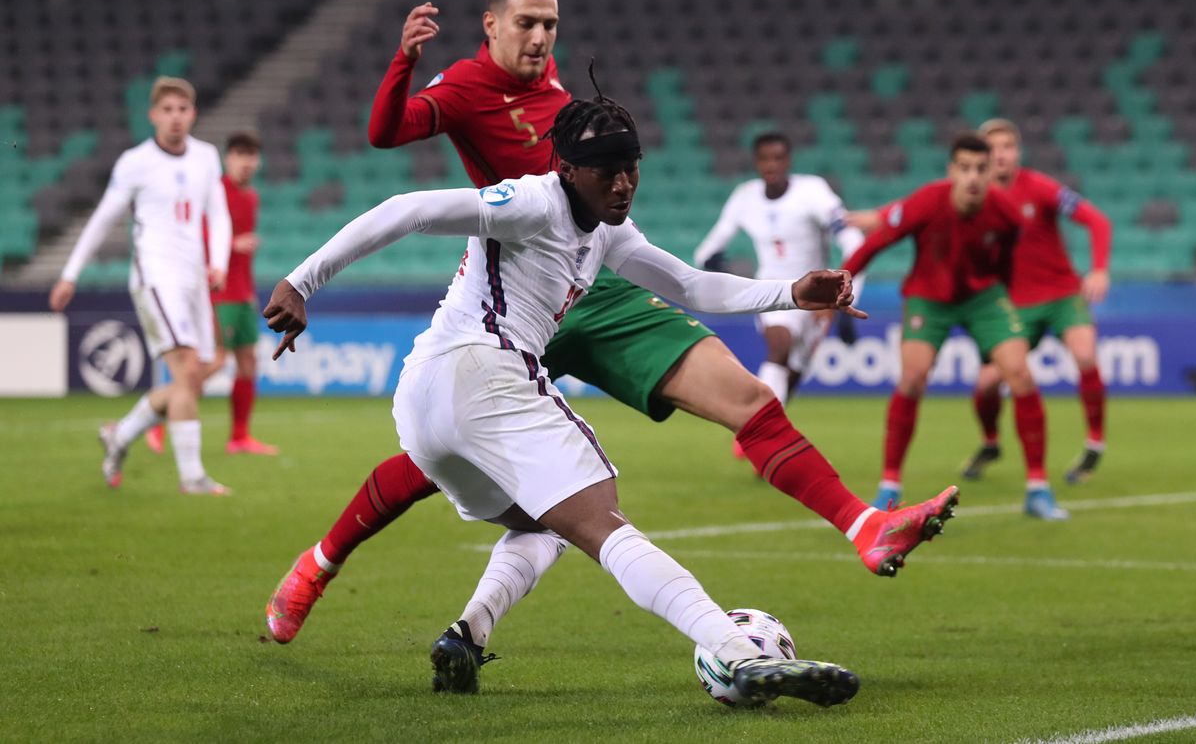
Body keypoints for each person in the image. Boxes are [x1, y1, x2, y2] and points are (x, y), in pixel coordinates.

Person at [265, 0, 958, 645]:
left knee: (747, 399)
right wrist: (400, 67)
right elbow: (390, 143)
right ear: (492, 25)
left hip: (601, 281)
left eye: (551, 24)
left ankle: (865, 526)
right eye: (528, 24)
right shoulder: (469, 85)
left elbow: (685, 280)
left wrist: (790, 293)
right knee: (433, 460)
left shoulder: (566, 97)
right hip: (521, 303)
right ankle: (318, 565)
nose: (541, 39)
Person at [264, 92, 884, 703]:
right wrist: (302, 281)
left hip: (429, 400)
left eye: (630, 168)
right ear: (566, 169)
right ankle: (737, 652)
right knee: (603, 523)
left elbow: (691, 285)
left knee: (543, 524)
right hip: (484, 370)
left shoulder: (609, 234)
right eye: (607, 171)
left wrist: (792, 292)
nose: (622, 184)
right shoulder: (532, 202)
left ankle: (467, 633)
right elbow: (409, 208)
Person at [843, 133, 1067, 520]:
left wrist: (1003, 301)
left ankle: (1038, 488)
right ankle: (889, 486)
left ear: (990, 172)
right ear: (952, 171)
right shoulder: (927, 201)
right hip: (928, 297)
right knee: (912, 379)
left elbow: (1007, 260)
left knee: (1021, 376)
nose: (974, 178)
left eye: (981, 169)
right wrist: (840, 286)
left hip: (984, 298)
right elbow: (875, 243)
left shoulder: (1007, 212)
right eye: (965, 168)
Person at [49, 76, 233, 495]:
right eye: (167, 110)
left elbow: (218, 215)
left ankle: (120, 434)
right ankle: (193, 478)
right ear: (153, 115)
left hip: (194, 279)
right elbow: (102, 219)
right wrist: (70, 273)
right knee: (186, 370)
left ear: (193, 114)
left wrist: (218, 262)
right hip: (156, 277)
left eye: (182, 109)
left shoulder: (206, 157)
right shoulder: (136, 162)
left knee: (197, 378)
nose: (175, 118)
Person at [960, 120, 1110, 484]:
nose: (1000, 155)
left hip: (1061, 294)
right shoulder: (972, 199)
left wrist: (1099, 269)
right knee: (987, 384)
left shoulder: (1040, 187)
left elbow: (1097, 221)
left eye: (1007, 146)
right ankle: (991, 441)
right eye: (992, 148)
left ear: (1018, 152)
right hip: (1013, 305)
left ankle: (1094, 443)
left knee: (1085, 355)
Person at [693, 132, 865, 405]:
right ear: (756, 162)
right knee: (780, 347)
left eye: (778, 158)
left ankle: (768, 428)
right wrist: (716, 265)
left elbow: (853, 242)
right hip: (772, 287)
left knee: (795, 371)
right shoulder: (745, 197)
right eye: (764, 159)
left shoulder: (813, 191)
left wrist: (848, 299)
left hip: (817, 295)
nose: (771, 165)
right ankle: (753, 422)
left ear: (788, 161)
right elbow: (708, 250)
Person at [144, 131, 279, 456]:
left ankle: (239, 437)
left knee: (248, 364)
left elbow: (243, 252)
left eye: (251, 156)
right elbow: (195, 234)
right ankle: (158, 424)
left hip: (241, 294)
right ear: (228, 158)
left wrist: (248, 290)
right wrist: (232, 245)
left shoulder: (251, 197)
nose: (246, 162)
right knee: (214, 361)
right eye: (239, 154)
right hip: (215, 292)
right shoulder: (213, 191)